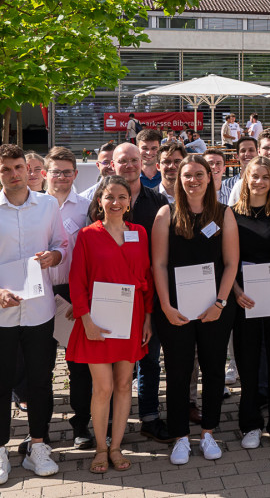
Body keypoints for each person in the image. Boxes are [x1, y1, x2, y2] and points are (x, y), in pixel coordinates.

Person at [151, 154, 239, 465]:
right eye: (187, 175)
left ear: (210, 177)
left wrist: (220, 303)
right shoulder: (167, 213)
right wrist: (165, 305)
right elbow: (158, 264)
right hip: (175, 310)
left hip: (214, 309)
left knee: (214, 370)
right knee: (178, 372)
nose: (193, 180)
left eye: (199, 174)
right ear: (178, 179)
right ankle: (180, 437)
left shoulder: (223, 214)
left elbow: (231, 264)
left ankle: (208, 433)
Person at [67, 175, 154, 473]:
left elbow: (148, 279)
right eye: (110, 197)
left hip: (131, 319)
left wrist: (147, 318)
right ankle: (101, 449)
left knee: (123, 384)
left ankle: (117, 447)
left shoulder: (140, 233)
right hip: (98, 321)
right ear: (100, 200)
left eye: (121, 197)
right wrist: (85, 319)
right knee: (102, 387)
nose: (115, 202)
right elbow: (77, 281)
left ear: (129, 202)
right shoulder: (88, 235)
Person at [0, 144, 67, 482]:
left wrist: (54, 257)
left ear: (28, 169)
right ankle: (0, 450)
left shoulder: (47, 205)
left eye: (17, 167)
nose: (13, 174)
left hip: (39, 310)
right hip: (2, 313)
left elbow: (62, 244)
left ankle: (38, 446)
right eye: (5, 169)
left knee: (41, 381)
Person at [231, 157, 270, 449]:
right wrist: (234, 291)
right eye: (254, 176)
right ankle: (250, 425)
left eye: (265, 177)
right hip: (244, 300)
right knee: (248, 362)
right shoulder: (231, 215)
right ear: (245, 179)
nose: (259, 182)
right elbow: (226, 261)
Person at [109, 143, 171, 443]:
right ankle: (109, 421)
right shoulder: (101, 198)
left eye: (135, 159)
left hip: (148, 295)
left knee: (149, 358)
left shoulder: (158, 202)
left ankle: (149, 417)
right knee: (112, 360)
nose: (131, 165)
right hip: (112, 296)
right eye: (124, 161)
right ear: (113, 165)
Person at [42, 147, 93, 450]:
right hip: (40, 294)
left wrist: (83, 297)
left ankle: (82, 424)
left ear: (75, 174)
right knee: (41, 365)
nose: (61, 177)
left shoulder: (86, 207)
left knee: (79, 365)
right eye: (55, 171)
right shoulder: (34, 207)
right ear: (45, 174)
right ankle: (41, 429)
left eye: (67, 171)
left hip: (74, 294)